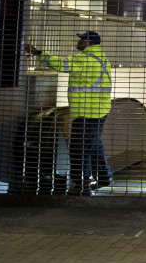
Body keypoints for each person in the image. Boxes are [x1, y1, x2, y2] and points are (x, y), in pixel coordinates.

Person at [25, 31, 113, 195]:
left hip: (86, 112)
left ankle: (82, 186)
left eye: (81, 40)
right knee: (93, 143)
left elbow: (61, 64)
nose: (78, 42)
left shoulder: (85, 60)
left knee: (79, 149)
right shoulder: (101, 59)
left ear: (88, 42)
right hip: (100, 111)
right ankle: (103, 176)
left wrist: (38, 52)